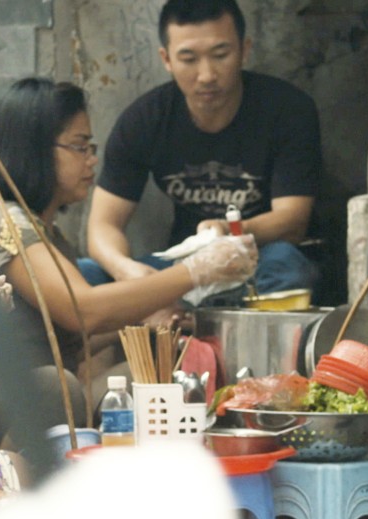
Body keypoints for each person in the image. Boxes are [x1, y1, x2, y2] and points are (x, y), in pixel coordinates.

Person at [0, 77, 257, 486]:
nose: (91, 161)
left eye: (93, 149)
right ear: (34, 149)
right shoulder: (1, 220)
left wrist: (144, 326)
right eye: (79, 146)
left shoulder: (49, 234)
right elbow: (82, 312)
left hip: (45, 393)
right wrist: (196, 271)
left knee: (156, 372)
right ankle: (13, 498)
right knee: (56, 386)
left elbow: (72, 339)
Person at [80, 0, 321, 301]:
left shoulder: (287, 110)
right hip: (181, 269)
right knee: (85, 275)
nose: (206, 75)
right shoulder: (143, 120)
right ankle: (182, 315)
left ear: (245, 50)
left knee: (289, 269)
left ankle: (188, 320)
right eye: (189, 59)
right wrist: (127, 272)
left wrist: (229, 229)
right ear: (166, 59)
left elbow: (293, 220)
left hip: (257, 260)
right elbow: (103, 225)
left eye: (221, 55)